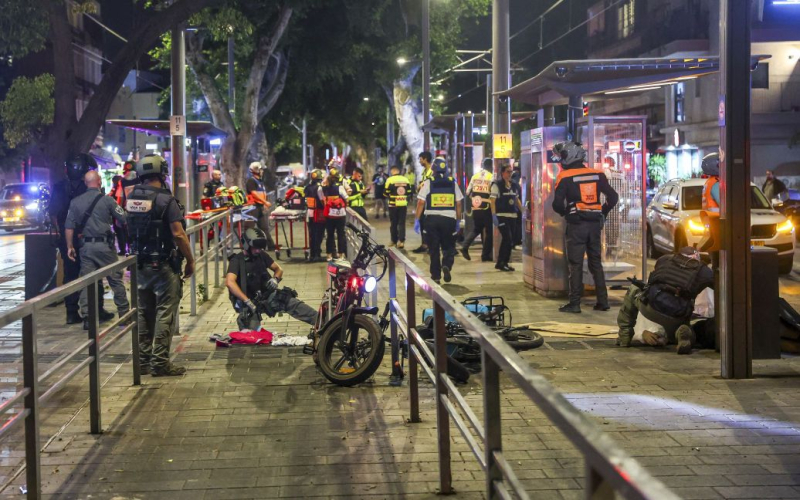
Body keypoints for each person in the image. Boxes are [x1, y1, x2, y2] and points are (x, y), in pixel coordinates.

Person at [125, 154, 195, 377]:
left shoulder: (131, 197)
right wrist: (191, 260)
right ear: (162, 173)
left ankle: (143, 361)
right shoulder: (166, 200)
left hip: (139, 264)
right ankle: (160, 363)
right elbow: (179, 234)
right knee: (165, 313)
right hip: (163, 265)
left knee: (144, 313)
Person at [552, 141, 619, 314]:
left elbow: (557, 204)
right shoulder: (598, 174)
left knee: (575, 264)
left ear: (571, 156)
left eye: (563, 156)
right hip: (595, 224)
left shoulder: (564, 177)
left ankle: (574, 303)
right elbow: (613, 197)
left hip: (576, 226)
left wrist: (567, 212)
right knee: (595, 262)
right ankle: (602, 301)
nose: (561, 160)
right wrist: (602, 211)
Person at [616, 247, 715, 355]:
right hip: (677, 315)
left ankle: (624, 336)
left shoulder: (665, 259)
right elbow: (720, 286)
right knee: (687, 328)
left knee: (634, 289)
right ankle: (684, 334)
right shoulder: (703, 271)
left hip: (651, 308)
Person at [50, 154, 111, 325]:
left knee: (70, 275)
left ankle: (71, 312)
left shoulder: (59, 187)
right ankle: (95, 311)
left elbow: (53, 213)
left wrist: (62, 233)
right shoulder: (89, 188)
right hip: (87, 237)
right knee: (93, 273)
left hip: (66, 238)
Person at [65, 170, 130, 330]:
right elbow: (124, 217)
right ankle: (124, 315)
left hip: (86, 247)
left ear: (86, 183)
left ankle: (88, 317)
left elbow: (69, 226)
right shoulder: (108, 201)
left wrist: (69, 247)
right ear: (99, 181)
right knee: (115, 280)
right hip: (105, 247)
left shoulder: (75, 202)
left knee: (87, 282)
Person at [226, 228, 318, 331]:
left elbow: (278, 269)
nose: (258, 250)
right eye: (255, 248)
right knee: (251, 335)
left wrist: (275, 279)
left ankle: (324, 323)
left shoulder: (261, 255)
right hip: (249, 303)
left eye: (260, 248)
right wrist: (247, 301)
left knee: (291, 302)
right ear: (247, 245)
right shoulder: (237, 261)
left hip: (267, 296)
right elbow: (230, 282)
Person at [415, 158, 463, 284]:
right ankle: (446, 264)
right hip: (449, 220)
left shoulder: (428, 182)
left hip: (432, 220)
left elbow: (421, 202)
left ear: (433, 169)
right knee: (448, 247)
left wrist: (417, 219)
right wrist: (458, 221)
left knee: (434, 249)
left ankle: (436, 276)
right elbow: (458, 203)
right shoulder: (453, 182)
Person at [460, 157, 494, 262]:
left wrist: (476, 200)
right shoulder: (491, 177)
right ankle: (485, 255)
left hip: (476, 207)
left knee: (477, 228)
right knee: (490, 232)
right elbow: (493, 193)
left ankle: (465, 246)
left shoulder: (475, 176)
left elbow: (467, 192)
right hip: (487, 208)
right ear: (490, 166)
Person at [490, 164, 522, 272]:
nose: (510, 174)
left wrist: (523, 211)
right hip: (501, 216)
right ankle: (501, 262)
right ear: (502, 173)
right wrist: (494, 215)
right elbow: (492, 201)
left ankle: (504, 262)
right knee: (507, 238)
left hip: (512, 215)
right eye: (508, 171)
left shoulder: (513, 185)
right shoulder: (497, 185)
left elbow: (516, 200)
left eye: (511, 171)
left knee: (510, 240)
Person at [245, 162, 275, 249]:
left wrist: (263, 204)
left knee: (264, 227)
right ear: (256, 170)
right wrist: (265, 202)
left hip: (259, 207)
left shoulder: (260, 181)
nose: (262, 171)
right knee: (249, 228)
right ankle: (247, 247)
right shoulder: (251, 181)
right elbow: (254, 194)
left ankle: (271, 246)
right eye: (261, 169)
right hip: (253, 208)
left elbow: (262, 194)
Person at [320, 173, 348, 259]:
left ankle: (329, 255)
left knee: (330, 235)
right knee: (340, 234)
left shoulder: (323, 189)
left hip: (329, 215)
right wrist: (345, 205)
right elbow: (346, 198)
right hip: (340, 215)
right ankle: (341, 254)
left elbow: (321, 199)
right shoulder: (339, 187)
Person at [412, 152, 435, 254]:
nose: (419, 161)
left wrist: (421, 186)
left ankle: (431, 246)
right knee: (423, 223)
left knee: (429, 224)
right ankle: (425, 244)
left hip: (431, 202)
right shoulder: (425, 172)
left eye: (420, 159)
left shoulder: (432, 171)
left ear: (425, 159)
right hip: (424, 200)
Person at [385, 164, 410, 248]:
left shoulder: (389, 180)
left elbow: (385, 193)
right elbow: (409, 191)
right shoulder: (406, 179)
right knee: (402, 223)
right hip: (403, 204)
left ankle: (393, 240)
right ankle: (401, 241)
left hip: (393, 205)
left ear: (392, 171)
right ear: (399, 171)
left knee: (394, 223)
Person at [304, 169, 326, 262]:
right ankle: (317, 254)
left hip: (310, 213)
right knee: (319, 234)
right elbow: (322, 201)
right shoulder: (320, 188)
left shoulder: (307, 187)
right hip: (318, 213)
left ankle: (312, 255)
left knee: (312, 235)